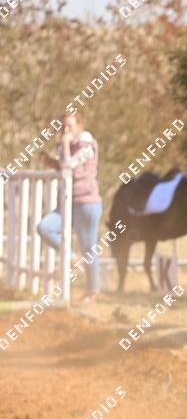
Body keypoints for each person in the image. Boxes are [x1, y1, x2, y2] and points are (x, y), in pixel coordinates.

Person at [37, 114, 103, 302]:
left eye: (69, 126)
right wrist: (52, 163)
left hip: (86, 203)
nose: (65, 130)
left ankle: (92, 291)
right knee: (44, 228)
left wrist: (65, 145)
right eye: (62, 127)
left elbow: (69, 166)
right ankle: (73, 258)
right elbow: (64, 168)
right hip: (66, 203)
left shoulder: (87, 145)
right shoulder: (63, 145)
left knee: (88, 248)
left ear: (79, 126)